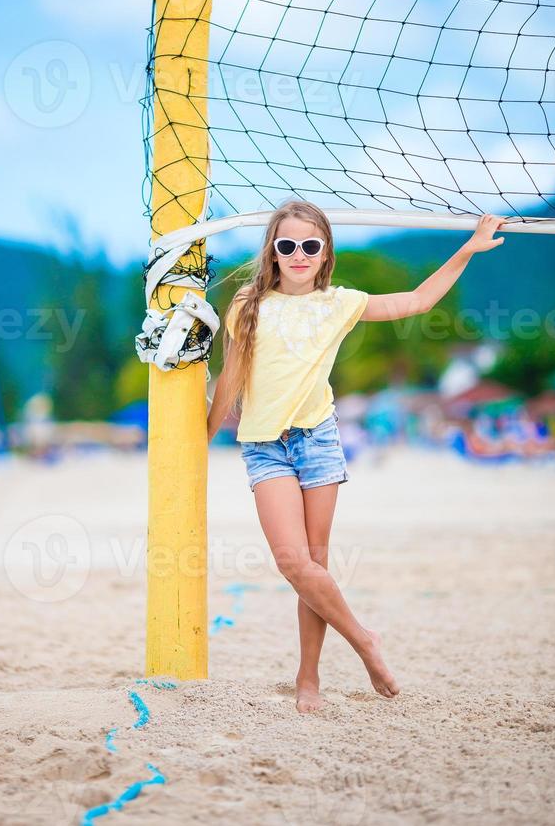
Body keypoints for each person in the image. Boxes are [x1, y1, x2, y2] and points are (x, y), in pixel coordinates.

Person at [207, 199, 506, 713]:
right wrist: (203, 436)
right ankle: (365, 640)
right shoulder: (247, 307)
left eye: (310, 245)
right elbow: (232, 378)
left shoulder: (338, 303)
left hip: (318, 440)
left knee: (315, 565)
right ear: (273, 253)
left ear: (324, 254)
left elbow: (416, 300)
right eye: (287, 246)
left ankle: (309, 679)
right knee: (293, 563)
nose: (298, 254)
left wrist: (469, 250)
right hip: (265, 446)